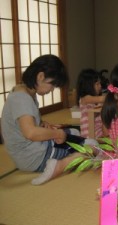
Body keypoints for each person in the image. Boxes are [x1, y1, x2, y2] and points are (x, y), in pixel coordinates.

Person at [1, 54, 98, 185]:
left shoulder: (24, 92)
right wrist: (57, 134)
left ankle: (62, 156)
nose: (52, 90)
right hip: (34, 157)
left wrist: (44, 124)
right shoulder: (21, 99)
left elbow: (28, 124)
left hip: (31, 150)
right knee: (92, 150)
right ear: (40, 77)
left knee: (74, 134)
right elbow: (30, 132)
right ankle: (59, 166)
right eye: (52, 85)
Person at [76, 69, 109, 139]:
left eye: (100, 83)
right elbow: (102, 98)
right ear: (88, 85)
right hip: (88, 136)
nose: (100, 86)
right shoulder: (85, 99)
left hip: (99, 133)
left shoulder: (98, 100)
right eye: (97, 84)